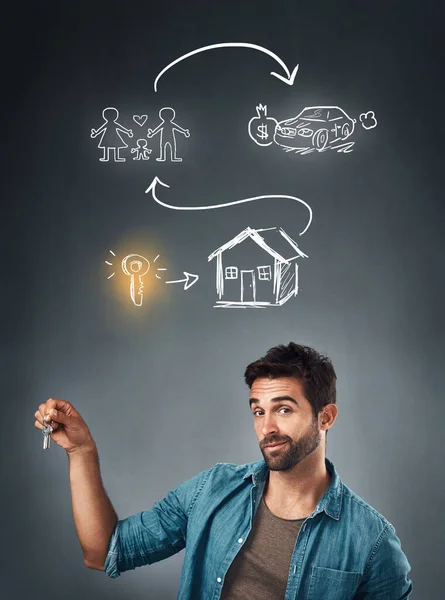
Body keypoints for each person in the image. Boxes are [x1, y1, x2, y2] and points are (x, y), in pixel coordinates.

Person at [34, 342, 413, 599]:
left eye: (283, 409)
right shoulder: (211, 491)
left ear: (325, 417)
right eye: (258, 411)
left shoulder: (373, 542)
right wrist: (82, 451)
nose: (267, 429)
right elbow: (103, 552)